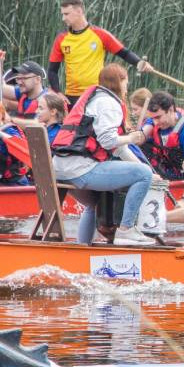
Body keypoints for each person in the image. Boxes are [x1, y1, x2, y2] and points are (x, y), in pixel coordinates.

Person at [51, 63, 155, 246]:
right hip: (80, 170)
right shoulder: (109, 103)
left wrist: (142, 166)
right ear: (119, 82)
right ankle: (126, 230)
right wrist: (131, 138)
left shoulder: (95, 99)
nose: (127, 87)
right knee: (143, 175)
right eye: (126, 82)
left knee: (97, 201)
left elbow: (118, 149)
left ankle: (83, 245)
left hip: (61, 169)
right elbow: (108, 141)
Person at [48, 0, 152, 105]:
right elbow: (52, 70)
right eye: (62, 14)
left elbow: (124, 53)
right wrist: (58, 92)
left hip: (96, 94)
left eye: (66, 14)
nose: (63, 18)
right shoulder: (61, 39)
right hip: (72, 97)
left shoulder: (100, 34)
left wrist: (140, 62)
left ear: (79, 11)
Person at [139, 91, 184, 180]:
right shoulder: (156, 121)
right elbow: (150, 121)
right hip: (166, 171)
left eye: (158, 117)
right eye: (152, 118)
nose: (155, 122)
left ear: (171, 110)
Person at [0, 51, 48, 120]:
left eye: (24, 78)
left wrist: (10, 120)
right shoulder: (21, 92)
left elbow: (40, 124)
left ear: (37, 79)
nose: (19, 82)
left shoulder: (48, 100)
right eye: (18, 78)